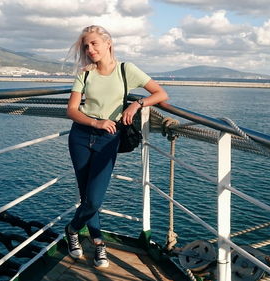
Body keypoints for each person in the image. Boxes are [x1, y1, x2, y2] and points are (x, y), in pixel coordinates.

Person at [65, 25, 168, 268]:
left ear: (108, 43)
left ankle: (71, 230)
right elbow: (71, 110)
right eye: (86, 46)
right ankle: (99, 243)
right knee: (86, 195)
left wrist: (136, 105)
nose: (90, 50)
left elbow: (160, 93)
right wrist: (95, 121)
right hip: (80, 137)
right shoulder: (85, 74)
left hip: (107, 140)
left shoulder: (126, 70)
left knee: (94, 199)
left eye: (94, 44)